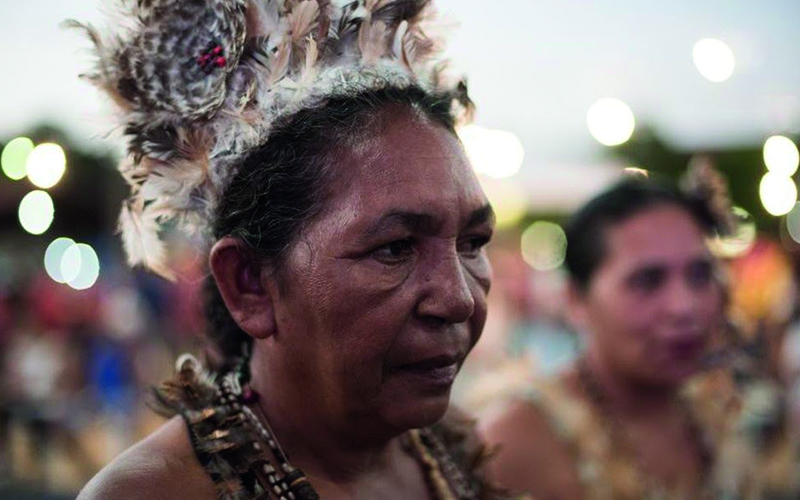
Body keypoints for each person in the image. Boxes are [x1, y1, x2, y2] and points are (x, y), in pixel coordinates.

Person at [72, 1, 502, 499]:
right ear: (249, 285)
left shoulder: (458, 449)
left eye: (472, 243)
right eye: (396, 249)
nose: (458, 299)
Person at [480, 175, 800, 499]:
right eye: (648, 281)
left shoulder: (719, 411)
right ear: (575, 299)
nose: (684, 306)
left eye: (700, 274)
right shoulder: (517, 444)